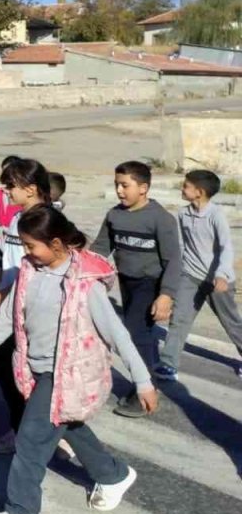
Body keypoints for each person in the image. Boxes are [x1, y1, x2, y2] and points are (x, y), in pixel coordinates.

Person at [0, 205, 154, 514]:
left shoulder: (84, 284)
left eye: (32, 246)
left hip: (67, 374)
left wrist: (143, 382)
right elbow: (8, 317)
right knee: (69, 425)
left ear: (58, 243)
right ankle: (114, 475)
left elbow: (117, 334)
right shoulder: (30, 272)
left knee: (31, 439)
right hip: (35, 369)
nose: (27, 253)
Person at [0, 158, 52, 455]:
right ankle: (27, 430)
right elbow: (17, 266)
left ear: (30, 190)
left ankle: (41, 433)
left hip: (36, 310)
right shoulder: (19, 219)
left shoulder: (45, 221)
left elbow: (35, 273)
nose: (6, 193)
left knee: (24, 372)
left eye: (11, 187)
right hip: (16, 305)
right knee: (9, 368)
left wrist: (0, 296)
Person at [91, 160, 181, 417]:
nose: (119, 191)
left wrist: (166, 295)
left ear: (143, 188)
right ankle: (148, 377)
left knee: (132, 334)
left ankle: (144, 391)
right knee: (141, 334)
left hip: (150, 284)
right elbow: (100, 249)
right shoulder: (114, 215)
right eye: (117, 185)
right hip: (126, 282)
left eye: (125, 185)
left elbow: (173, 260)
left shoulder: (160, 219)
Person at [155, 170, 242, 381]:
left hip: (217, 281)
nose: (182, 189)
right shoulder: (183, 214)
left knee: (231, 322)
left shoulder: (215, 215)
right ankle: (169, 363)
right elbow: (183, 246)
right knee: (179, 319)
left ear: (199, 192)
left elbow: (226, 247)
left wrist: (222, 274)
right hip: (190, 276)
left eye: (186, 186)